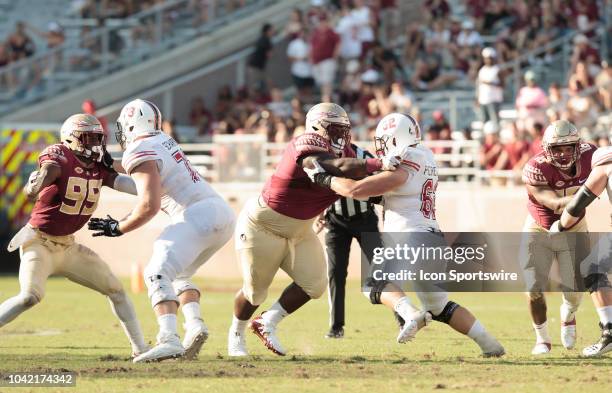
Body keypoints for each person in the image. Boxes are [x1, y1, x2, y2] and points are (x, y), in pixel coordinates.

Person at [306, 112, 505, 357]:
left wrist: (325, 179)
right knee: (440, 307)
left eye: (383, 140)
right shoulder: (425, 155)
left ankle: (411, 314)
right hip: (431, 237)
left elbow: (360, 189)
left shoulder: (410, 156)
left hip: (411, 235)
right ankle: (490, 345)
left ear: (393, 137)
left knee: (373, 285)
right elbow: (390, 193)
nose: (380, 147)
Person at [227, 103, 405, 357]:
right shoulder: (306, 142)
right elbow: (338, 167)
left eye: (343, 129)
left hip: (300, 229)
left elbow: (355, 178)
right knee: (255, 293)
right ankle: (236, 333)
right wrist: (379, 164)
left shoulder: (344, 150)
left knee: (315, 285)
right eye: (334, 129)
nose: (340, 136)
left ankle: (267, 322)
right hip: (264, 225)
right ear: (316, 126)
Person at [88, 99, 235, 362]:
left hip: (196, 215)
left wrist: (118, 227)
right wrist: (110, 176)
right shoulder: (163, 140)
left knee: (156, 273)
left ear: (132, 124)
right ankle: (194, 324)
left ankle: (169, 339)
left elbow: (148, 204)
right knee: (178, 275)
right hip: (220, 214)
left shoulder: (139, 148)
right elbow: (149, 185)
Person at [0, 114, 147, 358]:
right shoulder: (59, 156)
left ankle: (141, 349)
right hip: (39, 242)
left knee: (116, 290)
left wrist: (151, 190)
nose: (94, 144)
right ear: (71, 137)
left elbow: (118, 181)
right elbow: (49, 169)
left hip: (69, 247)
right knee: (29, 296)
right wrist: (35, 186)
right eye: (88, 138)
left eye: (97, 138)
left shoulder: (98, 164)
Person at [520, 120, 596, 354]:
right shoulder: (536, 167)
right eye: (556, 149)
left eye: (567, 148)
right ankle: (542, 339)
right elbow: (551, 202)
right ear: (546, 149)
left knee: (574, 290)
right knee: (532, 285)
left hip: (574, 227)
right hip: (540, 228)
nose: (563, 154)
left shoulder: (590, 155)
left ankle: (568, 313)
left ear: (578, 146)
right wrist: (584, 197)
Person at [316, 143, 393, 339]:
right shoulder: (323, 156)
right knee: (335, 273)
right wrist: (320, 211)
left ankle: (403, 317)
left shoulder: (362, 155)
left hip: (365, 219)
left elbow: (379, 183)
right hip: (335, 221)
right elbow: (319, 187)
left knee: (381, 267)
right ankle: (336, 326)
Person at [551, 140, 612, 357]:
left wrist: (559, 226)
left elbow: (577, 206)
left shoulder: (606, 164)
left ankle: (609, 331)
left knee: (591, 267)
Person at [310, 15, 340, 102]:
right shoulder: (316, 33)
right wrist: (311, 58)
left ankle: (326, 101)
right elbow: (312, 47)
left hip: (327, 59)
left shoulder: (330, 32)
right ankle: (329, 99)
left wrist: (335, 56)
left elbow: (338, 43)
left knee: (327, 81)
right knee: (322, 83)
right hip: (317, 62)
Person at [476, 47, 503, 124]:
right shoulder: (482, 70)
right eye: (486, 58)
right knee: (484, 121)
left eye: (490, 58)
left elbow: (502, 85)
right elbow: (479, 86)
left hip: (494, 100)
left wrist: (489, 83)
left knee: (495, 121)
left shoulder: (497, 70)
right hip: (483, 100)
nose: (488, 60)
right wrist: (477, 98)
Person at [247, 23, 274, 91]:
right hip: (256, 67)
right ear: (267, 31)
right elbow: (269, 55)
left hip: (256, 66)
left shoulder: (261, 39)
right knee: (255, 86)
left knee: (262, 83)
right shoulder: (266, 40)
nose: (273, 32)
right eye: (271, 30)